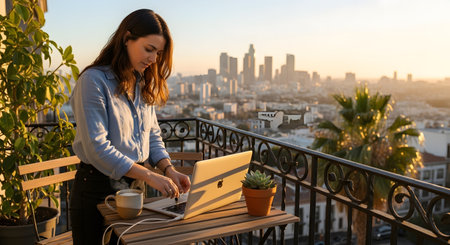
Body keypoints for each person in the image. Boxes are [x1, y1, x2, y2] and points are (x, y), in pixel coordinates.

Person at [69, 9, 191, 244]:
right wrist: (149, 176)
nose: (154, 59)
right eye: (149, 49)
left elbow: (152, 135)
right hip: (97, 189)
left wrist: (168, 170)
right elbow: (97, 148)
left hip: (135, 187)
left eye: (159, 52)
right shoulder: (93, 82)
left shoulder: (141, 83)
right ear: (126, 39)